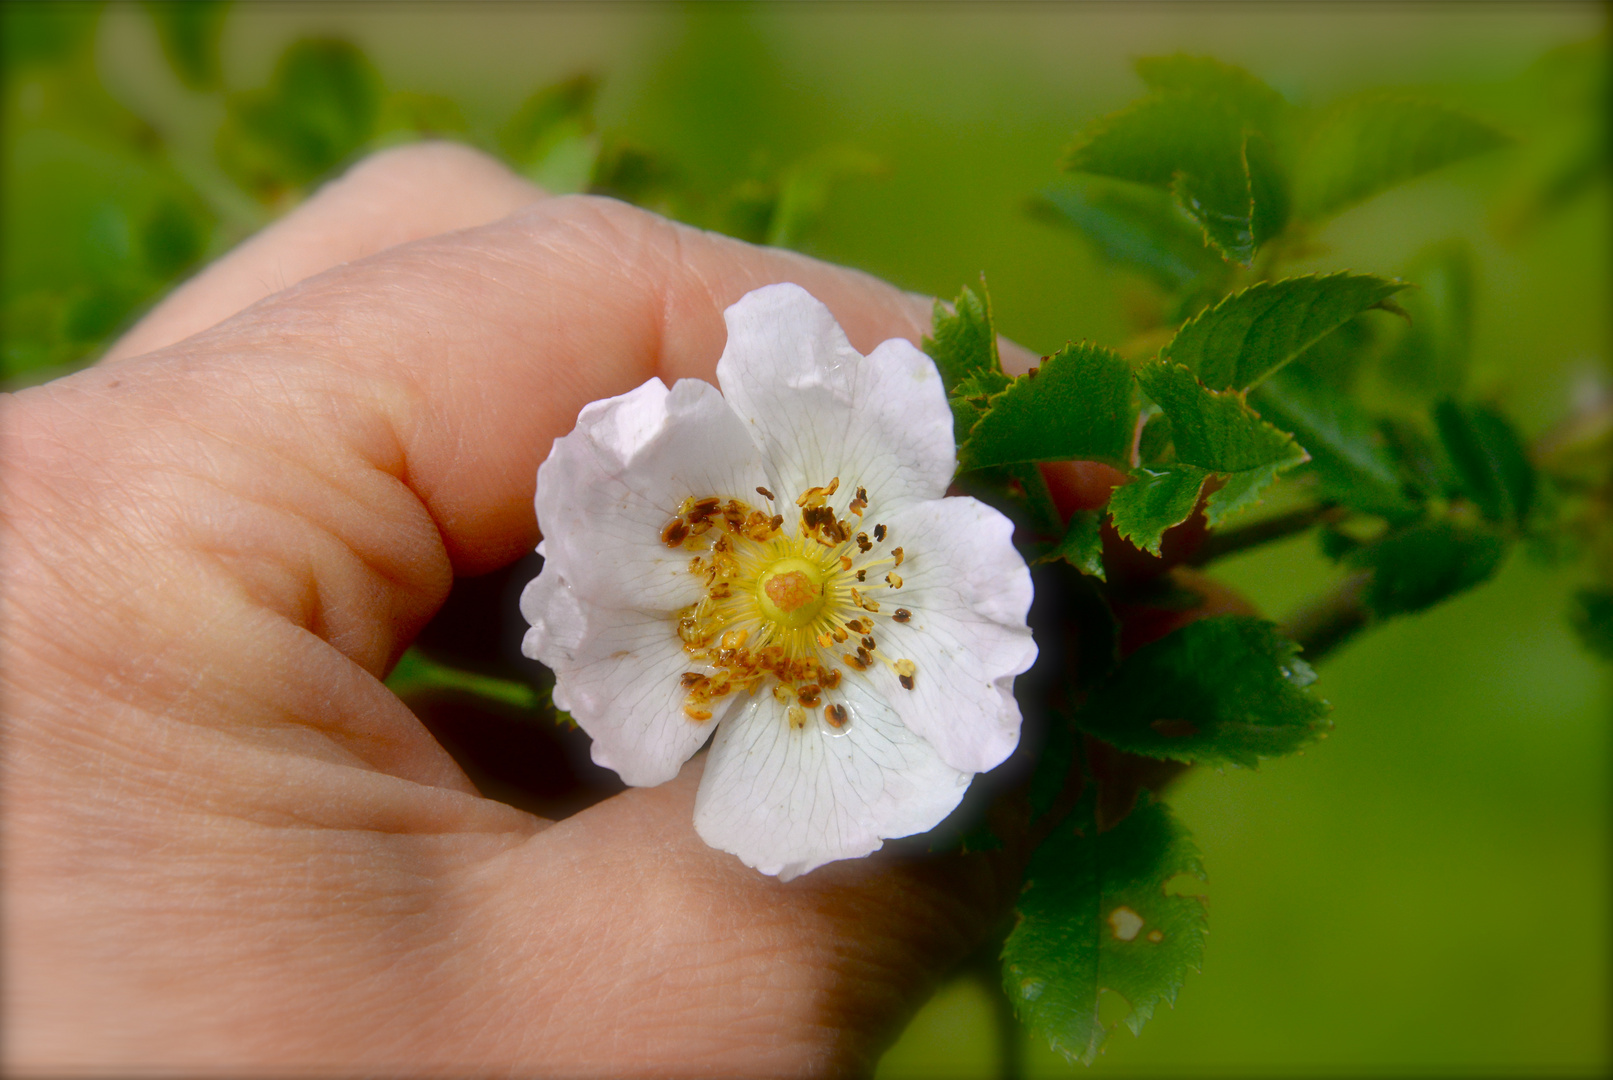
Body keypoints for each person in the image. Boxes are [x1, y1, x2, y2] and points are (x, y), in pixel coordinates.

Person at [1, 142, 1026, 1074]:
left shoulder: (847, 476)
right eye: (781, 574)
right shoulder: (645, 610)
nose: (788, 582)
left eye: (790, 578)